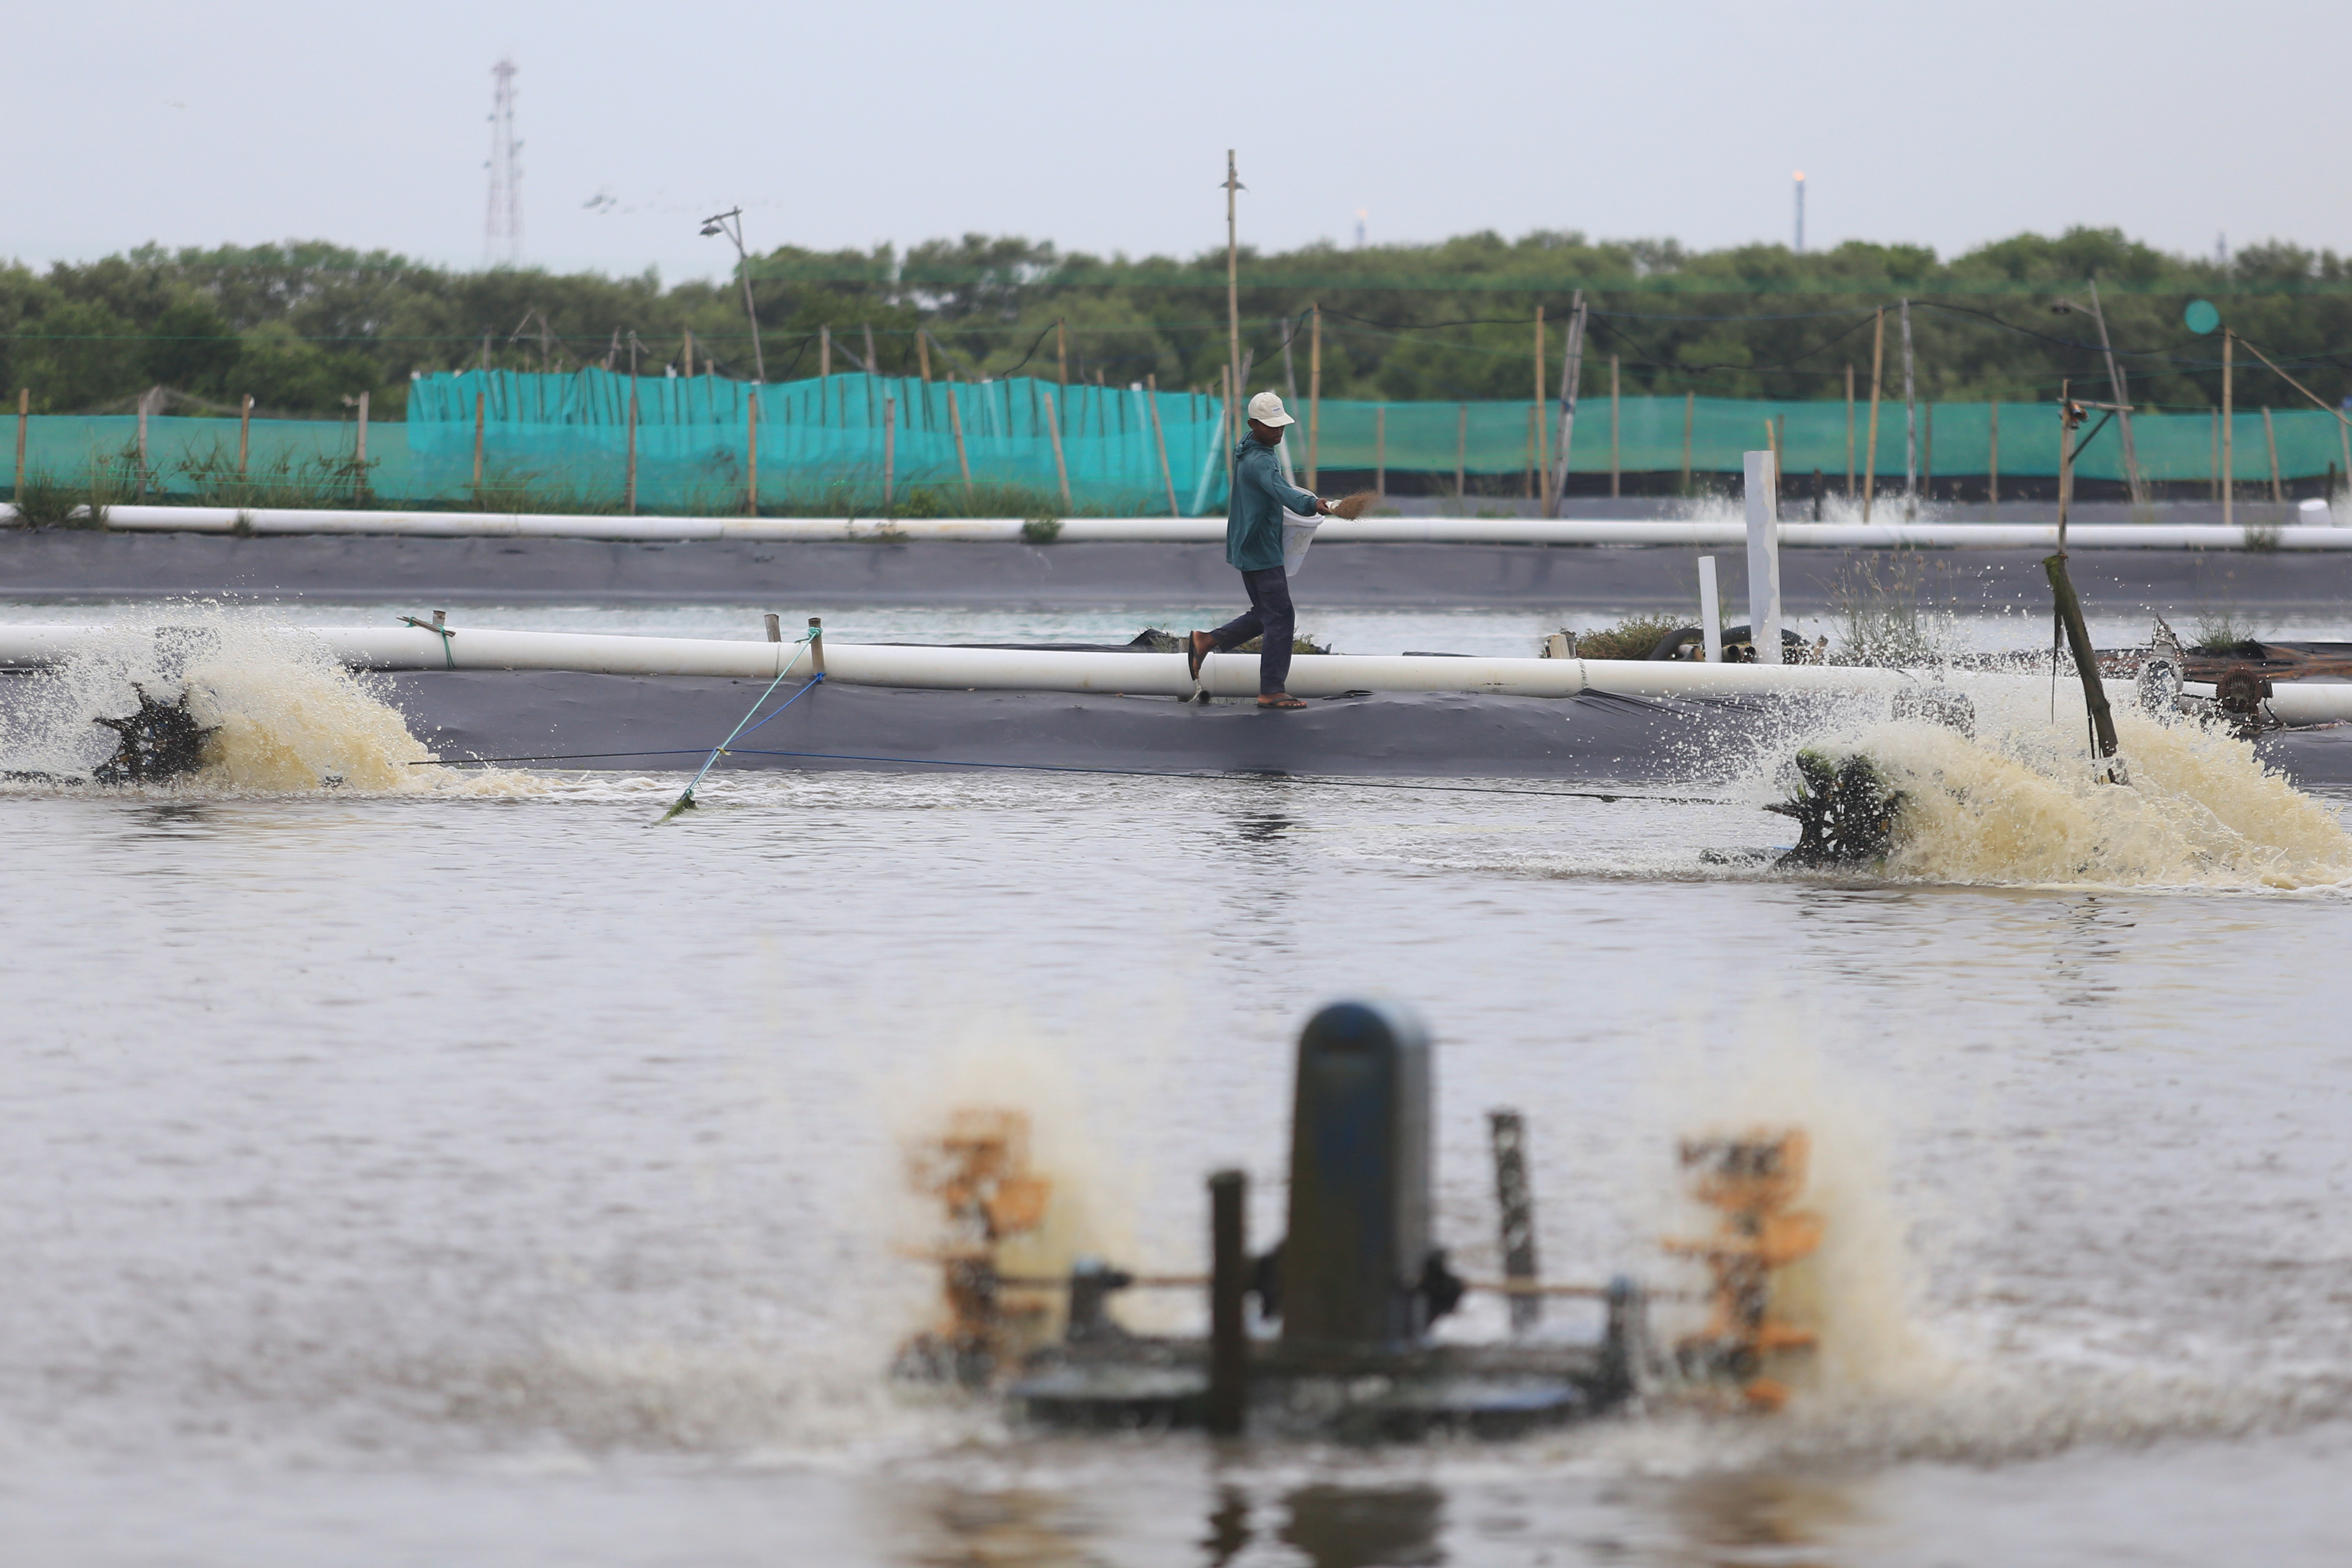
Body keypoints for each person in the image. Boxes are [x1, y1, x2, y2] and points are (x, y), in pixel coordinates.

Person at [1188, 390, 1332, 710]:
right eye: (1271, 426)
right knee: (1281, 616)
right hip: (1260, 548)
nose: (1279, 431)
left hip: (1249, 543)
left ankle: (1207, 641)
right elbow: (1280, 489)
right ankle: (1271, 690)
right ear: (1254, 423)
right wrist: (1313, 504)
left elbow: (1274, 487)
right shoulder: (1260, 459)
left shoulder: (1251, 446)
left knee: (1268, 613)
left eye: (1281, 425)